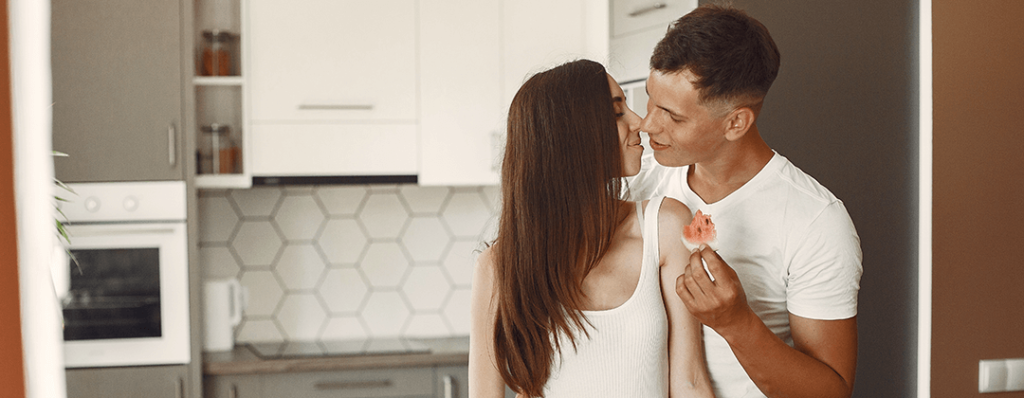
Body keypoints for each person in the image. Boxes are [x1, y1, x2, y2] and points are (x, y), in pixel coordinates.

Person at [627, 4, 863, 398]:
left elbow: (831, 391)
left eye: (673, 116)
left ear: (736, 123)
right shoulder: (639, 184)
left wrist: (735, 322)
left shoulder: (815, 221)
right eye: (651, 101)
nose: (648, 124)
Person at [469, 59, 715, 398]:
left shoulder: (665, 226)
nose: (639, 122)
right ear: (571, 136)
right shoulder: (499, 266)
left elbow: (690, 381)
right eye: (617, 113)